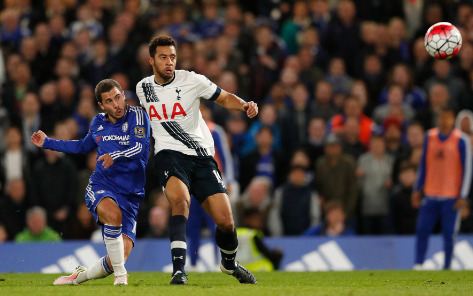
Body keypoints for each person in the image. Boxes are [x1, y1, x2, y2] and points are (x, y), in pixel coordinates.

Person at [136, 35, 258, 285]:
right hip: (169, 155)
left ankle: (229, 264)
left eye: (172, 57)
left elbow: (223, 97)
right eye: (163, 57)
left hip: (202, 156)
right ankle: (179, 270)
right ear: (151, 60)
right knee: (180, 202)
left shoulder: (192, 80)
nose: (169, 62)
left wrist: (244, 105)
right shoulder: (143, 88)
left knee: (226, 222)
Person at [31, 79, 150, 285]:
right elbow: (81, 146)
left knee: (119, 257)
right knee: (113, 215)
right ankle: (121, 277)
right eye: (109, 101)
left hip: (131, 194)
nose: (116, 104)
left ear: (123, 95)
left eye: (118, 98)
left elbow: (139, 148)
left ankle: (79, 277)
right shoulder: (98, 122)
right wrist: (48, 142)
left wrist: (116, 156)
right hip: (103, 184)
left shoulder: (138, 116)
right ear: (102, 106)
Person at [412, 106, 472, 270]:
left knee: (449, 234)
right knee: (422, 230)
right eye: (442, 117)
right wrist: (417, 188)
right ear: (438, 119)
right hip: (430, 194)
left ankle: (447, 266)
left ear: (453, 120)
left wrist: (463, 195)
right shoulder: (429, 137)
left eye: (448, 117)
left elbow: (467, 168)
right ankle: (418, 264)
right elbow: (423, 164)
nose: (444, 121)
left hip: (451, 196)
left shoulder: (461, 139)